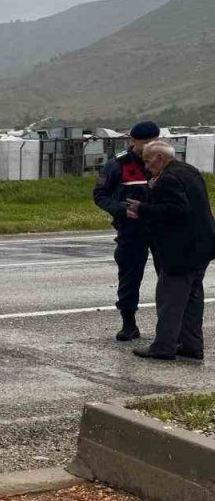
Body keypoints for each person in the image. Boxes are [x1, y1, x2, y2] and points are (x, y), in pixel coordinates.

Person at [126, 140, 214, 361]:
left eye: (148, 161)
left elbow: (177, 210)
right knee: (192, 299)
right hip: (202, 246)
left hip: (181, 250)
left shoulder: (168, 179)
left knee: (170, 300)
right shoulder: (189, 171)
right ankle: (192, 346)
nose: (146, 167)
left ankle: (163, 347)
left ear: (159, 158)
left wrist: (142, 208)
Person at [93, 121, 159, 340]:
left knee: (170, 277)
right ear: (133, 141)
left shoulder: (164, 162)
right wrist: (121, 209)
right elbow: (100, 195)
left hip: (161, 228)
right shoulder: (118, 165)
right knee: (130, 276)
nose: (150, 147)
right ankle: (129, 324)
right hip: (131, 229)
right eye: (145, 143)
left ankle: (169, 326)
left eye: (154, 142)